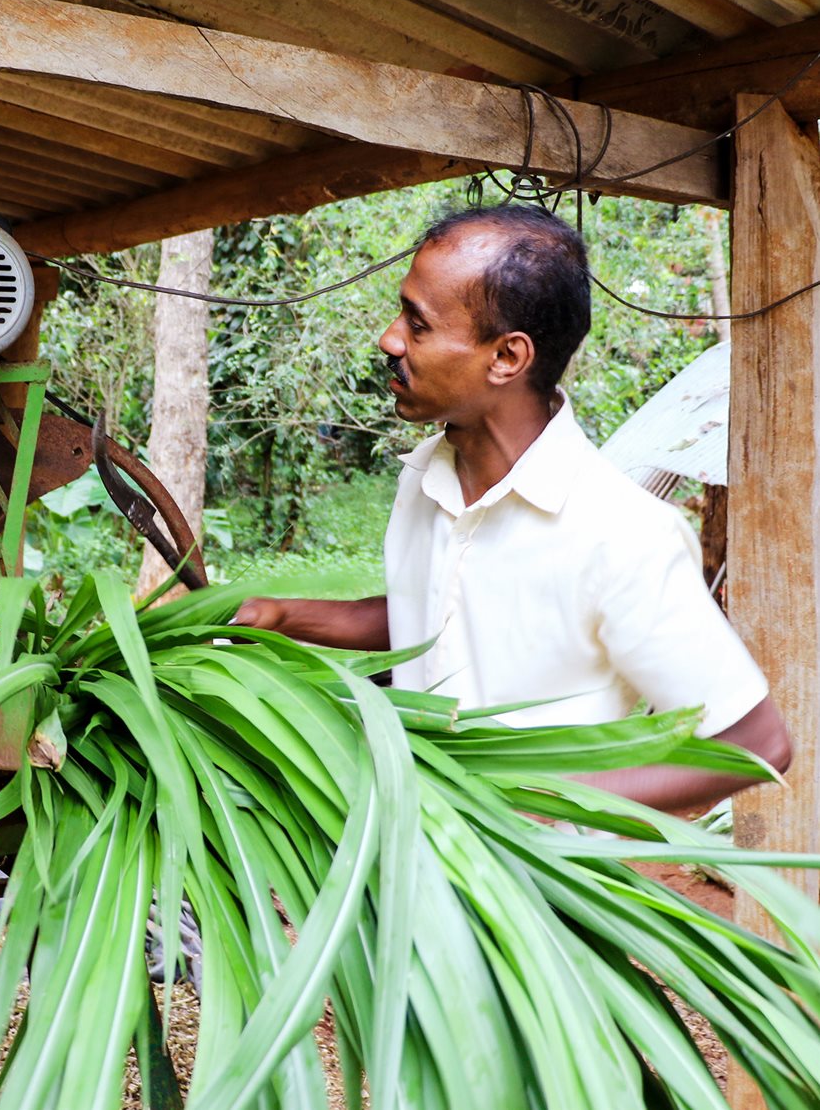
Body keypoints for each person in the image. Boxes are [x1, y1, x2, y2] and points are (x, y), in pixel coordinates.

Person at [234, 205, 791, 813]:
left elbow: (756, 743)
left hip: (533, 871)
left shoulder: (621, 537)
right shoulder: (426, 479)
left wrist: (528, 804)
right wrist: (280, 615)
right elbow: (440, 612)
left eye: (417, 325)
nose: (389, 340)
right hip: (406, 851)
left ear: (506, 358)